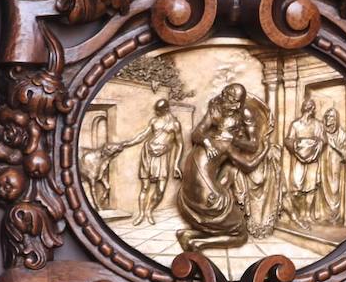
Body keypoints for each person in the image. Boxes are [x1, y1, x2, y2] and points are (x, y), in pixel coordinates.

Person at [175, 84, 267, 251]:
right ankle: (198, 244)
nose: (232, 104)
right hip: (204, 193)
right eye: (229, 97)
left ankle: (189, 235)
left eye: (235, 100)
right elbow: (249, 163)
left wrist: (220, 140)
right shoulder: (223, 139)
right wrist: (265, 149)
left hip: (186, 193)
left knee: (222, 209)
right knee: (240, 234)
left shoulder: (223, 131)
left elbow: (251, 144)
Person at [122, 99, 186, 225]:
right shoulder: (154, 121)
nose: (156, 112)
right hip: (148, 154)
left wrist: (176, 164)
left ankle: (149, 211)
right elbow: (143, 135)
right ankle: (141, 214)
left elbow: (179, 144)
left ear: (166, 109)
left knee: (160, 190)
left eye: (158, 110)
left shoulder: (175, 124)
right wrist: (128, 143)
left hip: (162, 157)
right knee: (145, 187)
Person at [283, 96, 326, 229]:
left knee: (311, 187)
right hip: (298, 160)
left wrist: (313, 146)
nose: (310, 108)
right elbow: (288, 140)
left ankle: (307, 213)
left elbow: (323, 140)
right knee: (296, 186)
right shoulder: (295, 124)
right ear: (304, 108)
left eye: (311, 106)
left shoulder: (318, 124)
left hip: (313, 160)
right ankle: (300, 212)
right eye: (308, 106)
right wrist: (298, 146)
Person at [315, 106, 346, 225]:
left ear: (336, 120)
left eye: (331, 117)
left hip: (335, 166)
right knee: (323, 188)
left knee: (334, 189)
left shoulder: (342, 134)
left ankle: (335, 216)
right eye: (327, 117)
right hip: (323, 163)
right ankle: (325, 216)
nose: (329, 119)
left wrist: (335, 147)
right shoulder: (322, 132)